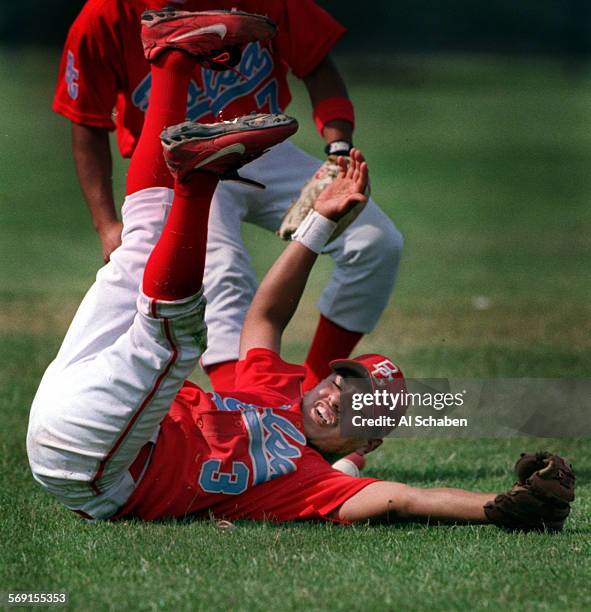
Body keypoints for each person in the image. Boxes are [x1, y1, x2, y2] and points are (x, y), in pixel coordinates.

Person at [28, 11, 575, 530]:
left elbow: (404, 498)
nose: (340, 397)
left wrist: (499, 507)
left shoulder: (306, 478)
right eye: (344, 380)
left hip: (101, 467)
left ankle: (198, 182)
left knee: (177, 337)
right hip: (78, 410)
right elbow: (266, 314)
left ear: (364, 443)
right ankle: (171, 59)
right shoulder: (273, 393)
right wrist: (318, 225)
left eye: (361, 410)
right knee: (142, 240)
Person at [52, 0, 404, 393]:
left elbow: (317, 63)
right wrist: (106, 225)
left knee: (375, 241)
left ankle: (309, 391)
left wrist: (339, 149)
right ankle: (246, 408)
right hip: (179, 168)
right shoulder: (107, 13)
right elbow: (86, 121)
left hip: (265, 149)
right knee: (221, 274)